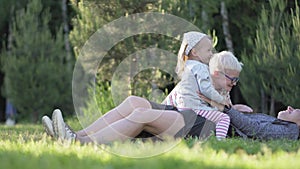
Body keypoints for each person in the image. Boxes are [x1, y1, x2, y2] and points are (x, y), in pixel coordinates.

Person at [163, 32, 239, 140]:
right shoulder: (200, 67)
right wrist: (222, 100)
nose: (211, 54)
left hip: (182, 107)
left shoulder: (187, 66)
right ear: (194, 52)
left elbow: (177, 92)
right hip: (195, 108)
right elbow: (206, 89)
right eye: (208, 50)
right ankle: (220, 141)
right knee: (223, 118)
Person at [199, 94, 300, 140]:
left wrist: (225, 107)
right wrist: (234, 108)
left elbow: (252, 128)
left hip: (220, 126)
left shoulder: (290, 131)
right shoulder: (285, 126)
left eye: (297, 110)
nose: (289, 107)